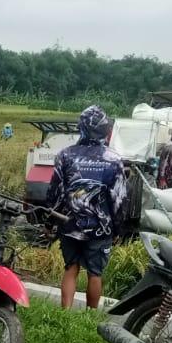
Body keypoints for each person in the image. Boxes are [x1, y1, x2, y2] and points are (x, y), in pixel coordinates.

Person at [47, 105, 127, 310]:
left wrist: (51, 222)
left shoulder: (65, 155)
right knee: (95, 273)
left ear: (81, 127)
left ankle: (65, 314)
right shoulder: (114, 159)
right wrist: (118, 229)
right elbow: (118, 200)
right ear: (105, 130)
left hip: (69, 224)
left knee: (70, 268)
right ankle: (90, 316)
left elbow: (54, 193)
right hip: (101, 227)